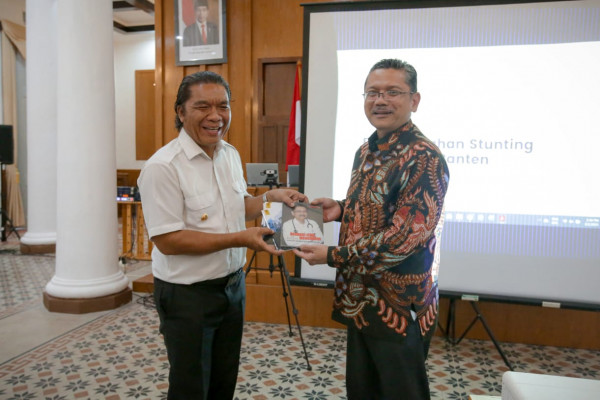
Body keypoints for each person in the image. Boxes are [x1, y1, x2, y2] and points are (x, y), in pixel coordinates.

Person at [137, 70, 307, 400]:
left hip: (232, 287)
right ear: (181, 111)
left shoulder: (229, 153)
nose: (215, 116)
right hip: (187, 295)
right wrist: (240, 239)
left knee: (222, 380)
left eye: (223, 106)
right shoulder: (163, 167)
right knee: (191, 386)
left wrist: (270, 199)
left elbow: (236, 207)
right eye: (203, 106)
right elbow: (168, 241)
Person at [293, 59, 450, 400]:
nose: (381, 100)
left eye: (393, 92)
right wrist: (340, 209)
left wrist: (333, 255)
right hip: (361, 298)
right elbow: (378, 209)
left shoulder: (424, 157)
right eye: (373, 92)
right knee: (363, 391)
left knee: (400, 393)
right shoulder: (366, 150)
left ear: (415, 100)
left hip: (399, 306)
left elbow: (404, 237)